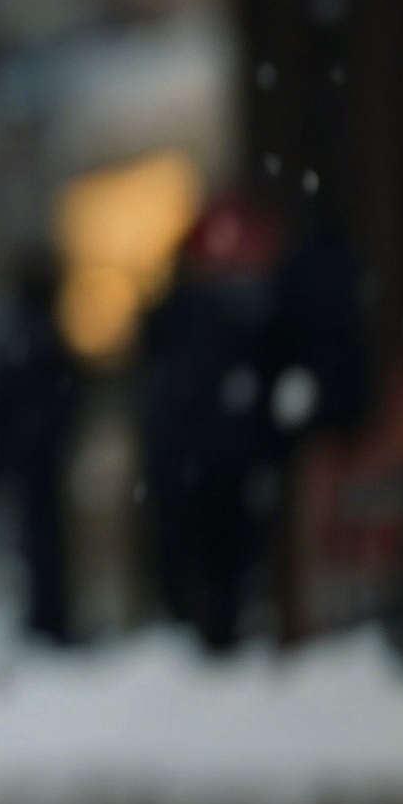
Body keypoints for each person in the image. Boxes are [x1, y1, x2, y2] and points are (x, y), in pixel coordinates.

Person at [133, 193, 288, 651]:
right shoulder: (231, 309)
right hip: (210, 451)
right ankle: (210, 627)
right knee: (216, 550)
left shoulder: (203, 310)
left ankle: (205, 628)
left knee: (204, 550)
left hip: (199, 452)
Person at [0, 246, 87, 644]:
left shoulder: (12, 334)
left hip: (23, 458)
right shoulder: (35, 335)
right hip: (34, 459)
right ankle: (41, 622)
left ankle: (37, 621)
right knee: (38, 547)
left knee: (28, 546)